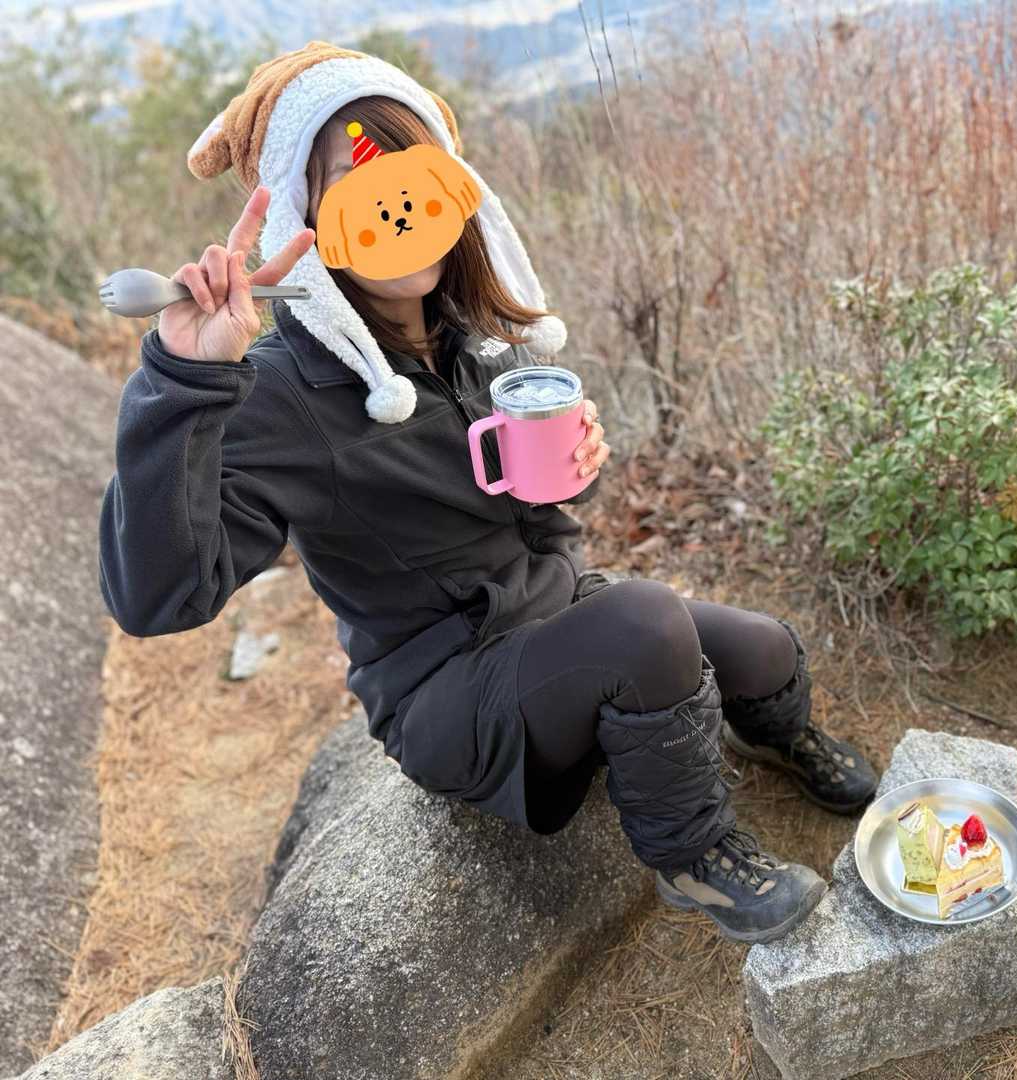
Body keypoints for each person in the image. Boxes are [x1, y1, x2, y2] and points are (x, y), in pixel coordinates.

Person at [97, 41, 878, 945]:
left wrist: (572, 472)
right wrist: (184, 380)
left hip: (552, 618)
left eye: (412, 171)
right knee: (649, 623)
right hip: (451, 692)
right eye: (355, 182)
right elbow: (157, 597)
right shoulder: (284, 392)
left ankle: (767, 733)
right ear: (306, 220)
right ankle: (693, 856)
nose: (394, 206)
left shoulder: (467, 343)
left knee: (762, 647)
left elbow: (530, 512)